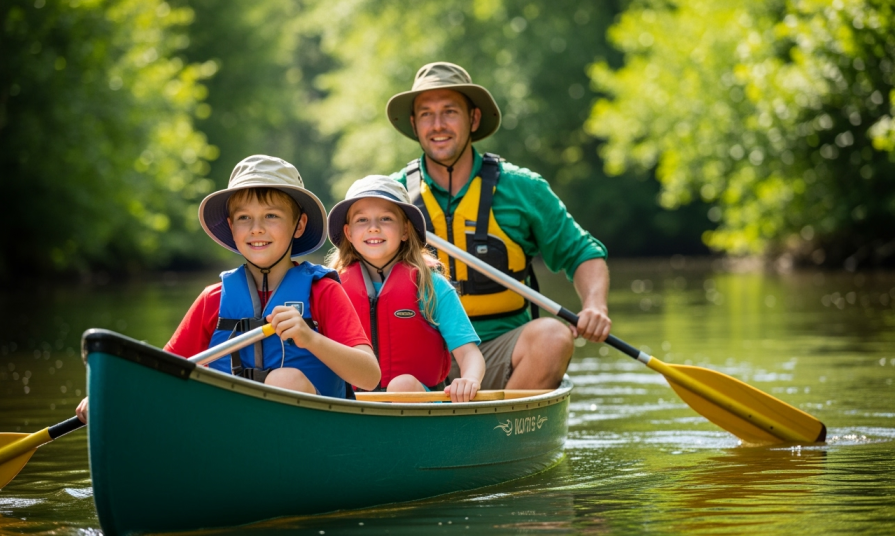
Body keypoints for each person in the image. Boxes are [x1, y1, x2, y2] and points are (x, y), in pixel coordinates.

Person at [77, 155, 379, 422]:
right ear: (231, 227)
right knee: (195, 387)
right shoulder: (214, 299)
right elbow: (161, 373)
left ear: (298, 226)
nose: (256, 228)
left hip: (317, 434)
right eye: (244, 218)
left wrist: (310, 338)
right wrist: (111, 396)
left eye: (271, 216)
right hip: (232, 430)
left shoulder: (322, 292)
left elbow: (369, 375)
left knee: (286, 380)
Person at [387, 62, 612, 391]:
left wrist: (595, 305)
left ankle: (496, 428)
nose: (438, 125)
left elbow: (582, 252)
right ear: (414, 123)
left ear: (473, 118)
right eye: (426, 114)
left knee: (553, 336)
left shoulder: (522, 188)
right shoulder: (390, 199)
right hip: (417, 358)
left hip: (499, 353)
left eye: (450, 111)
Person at [326, 175, 485, 402]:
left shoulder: (431, 285)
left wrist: (470, 379)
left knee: (402, 384)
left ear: (405, 231)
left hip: (416, 401)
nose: (373, 228)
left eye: (386, 219)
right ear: (349, 233)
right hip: (353, 404)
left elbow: (470, 353)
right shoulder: (332, 288)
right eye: (362, 220)